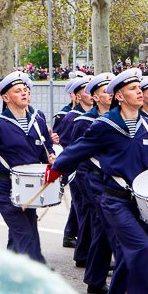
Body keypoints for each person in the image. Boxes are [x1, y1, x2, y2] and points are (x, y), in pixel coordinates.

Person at [47, 68, 148, 294]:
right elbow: (77, 150)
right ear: (119, 95)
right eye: (132, 89)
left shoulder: (145, 124)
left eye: (140, 88)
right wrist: (56, 169)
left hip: (138, 200)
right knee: (140, 247)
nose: (139, 92)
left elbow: (145, 157)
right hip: (113, 199)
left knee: (132, 256)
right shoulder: (105, 126)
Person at [0, 71, 55, 264]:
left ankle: (6, 275)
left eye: (26, 90)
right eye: (18, 91)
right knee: (27, 238)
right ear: (6, 98)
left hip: (32, 189)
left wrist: (52, 157)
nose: (25, 94)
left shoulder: (38, 119)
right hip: (7, 189)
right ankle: (40, 278)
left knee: (20, 235)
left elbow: (45, 149)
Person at [71, 73, 116, 294]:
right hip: (93, 179)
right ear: (95, 97)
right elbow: (77, 154)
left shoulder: (122, 119)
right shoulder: (83, 122)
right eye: (105, 91)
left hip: (116, 181)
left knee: (104, 228)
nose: (109, 95)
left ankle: (95, 276)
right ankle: (97, 278)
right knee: (105, 225)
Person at [59, 75, 94, 268]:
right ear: (78, 96)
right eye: (86, 91)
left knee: (84, 211)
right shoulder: (72, 117)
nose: (90, 94)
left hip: (92, 171)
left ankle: (83, 250)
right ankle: (83, 253)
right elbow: (67, 144)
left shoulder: (96, 116)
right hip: (79, 171)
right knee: (83, 210)